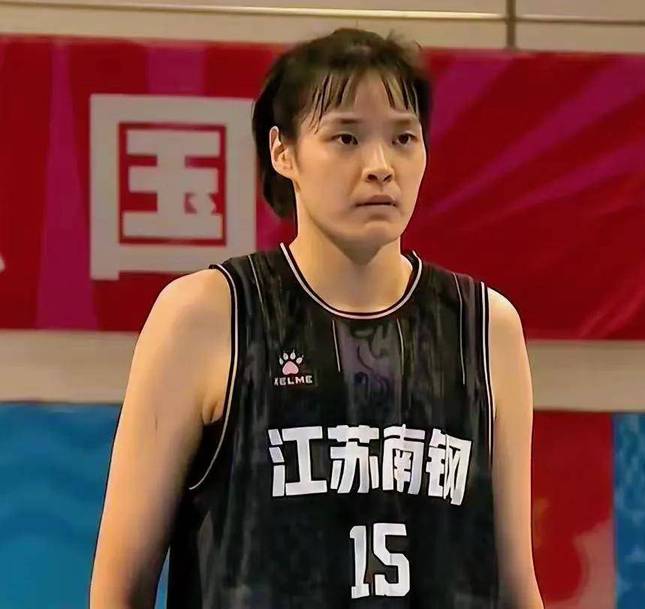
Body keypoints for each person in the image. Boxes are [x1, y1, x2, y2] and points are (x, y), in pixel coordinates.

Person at [89, 27, 544, 609]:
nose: (380, 166)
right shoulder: (206, 315)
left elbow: (515, 585)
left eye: (403, 138)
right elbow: (119, 587)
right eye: (346, 137)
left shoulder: (486, 329)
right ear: (284, 152)